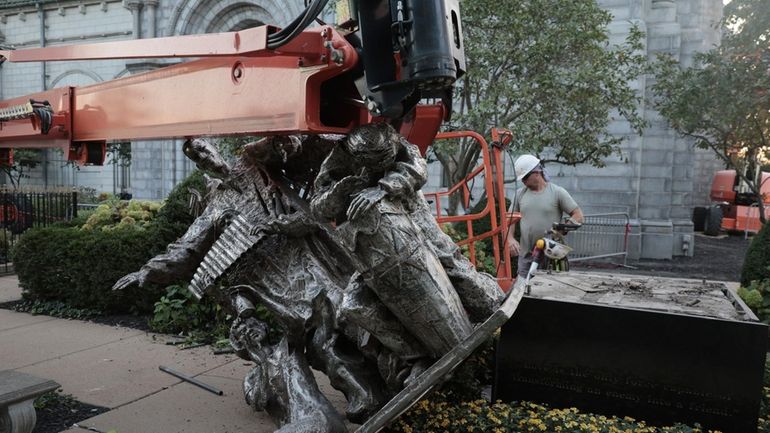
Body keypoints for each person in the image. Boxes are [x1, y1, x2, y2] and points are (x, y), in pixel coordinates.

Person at [506, 154, 584, 277]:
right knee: (523, 289)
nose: (523, 181)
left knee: (551, 290)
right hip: (527, 256)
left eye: (525, 177)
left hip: (552, 256)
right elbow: (509, 219)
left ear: (537, 172)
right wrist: (509, 239)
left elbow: (578, 215)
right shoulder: (519, 194)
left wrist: (564, 228)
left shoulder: (557, 193)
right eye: (522, 178)